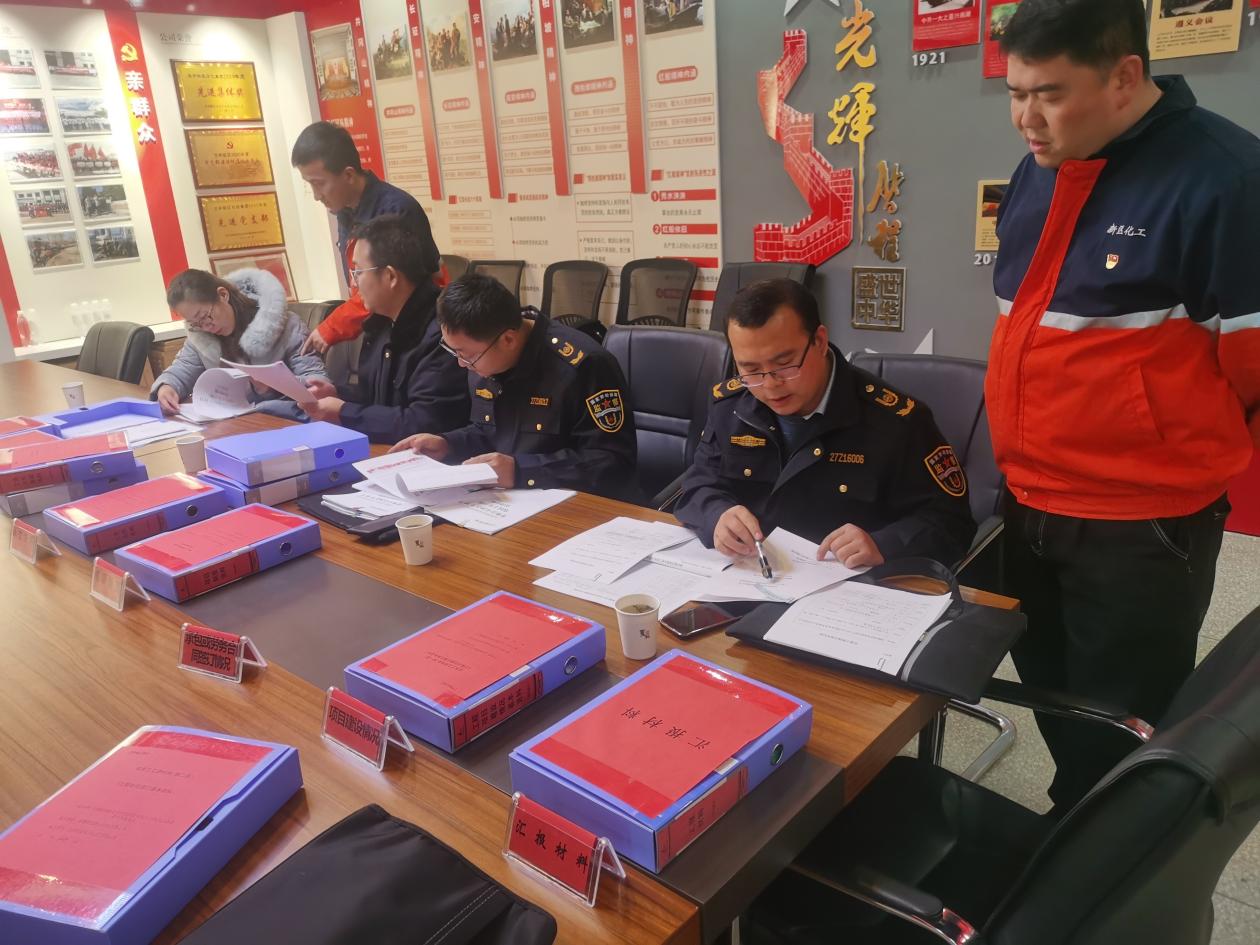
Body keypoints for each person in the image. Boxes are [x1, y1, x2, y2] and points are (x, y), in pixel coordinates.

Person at [989, 0, 1260, 811]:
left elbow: (1251, 367)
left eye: (1049, 93)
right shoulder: (1037, 171)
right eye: (1015, 93)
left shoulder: (1226, 178)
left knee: (1125, 729)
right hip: (1028, 500)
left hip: (1139, 525)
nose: (1026, 119)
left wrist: (1153, 431)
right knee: (1060, 702)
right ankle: (1072, 828)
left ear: (1125, 76)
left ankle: (1100, 866)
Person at [674, 279, 975, 568]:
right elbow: (698, 484)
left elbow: (951, 523)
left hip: (852, 587)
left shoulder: (896, 421)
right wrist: (716, 514)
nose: (770, 385)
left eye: (784, 364)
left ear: (819, 341)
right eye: (750, 369)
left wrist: (884, 544)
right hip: (752, 576)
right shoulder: (731, 407)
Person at [389, 273, 641, 502]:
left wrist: (521, 471)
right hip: (508, 504)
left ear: (508, 339)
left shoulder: (582, 365)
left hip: (579, 508)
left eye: (467, 355)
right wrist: (448, 444)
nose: (461, 364)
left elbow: (612, 463)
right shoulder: (484, 361)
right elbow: (489, 431)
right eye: (454, 351)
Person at [303, 215, 468, 444]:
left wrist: (343, 411)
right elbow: (376, 400)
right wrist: (337, 394)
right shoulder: (381, 323)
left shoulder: (444, 331)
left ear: (390, 276)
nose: (354, 283)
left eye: (358, 271)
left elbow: (424, 422)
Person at [290, 121, 441, 356]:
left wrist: (332, 327)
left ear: (349, 175)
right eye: (310, 185)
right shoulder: (346, 212)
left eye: (319, 184)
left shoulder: (395, 211)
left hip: (413, 337)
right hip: (378, 331)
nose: (317, 196)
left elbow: (386, 289)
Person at [153, 268, 329, 417]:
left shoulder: (287, 325)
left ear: (223, 295)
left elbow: (318, 382)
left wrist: (275, 385)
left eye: (205, 316)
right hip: (234, 421)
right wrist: (167, 387)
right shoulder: (201, 335)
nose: (206, 327)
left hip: (284, 420)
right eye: (195, 323)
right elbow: (183, 367)